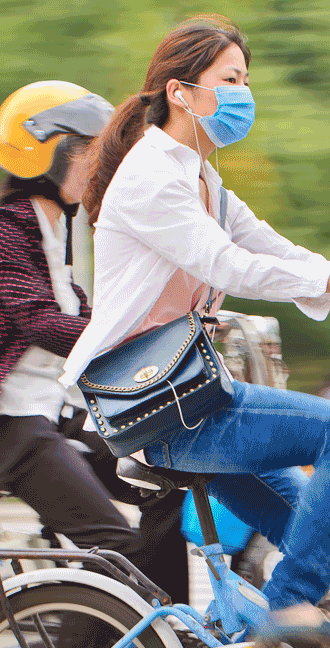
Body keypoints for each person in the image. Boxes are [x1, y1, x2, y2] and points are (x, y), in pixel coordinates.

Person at [60, 15, 330, 648]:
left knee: (325, 539)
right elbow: (230, 266)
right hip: (159, 407)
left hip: (195, 396)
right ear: (180, 91)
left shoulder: (206, 183)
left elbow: (282, 252)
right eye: (230, 79)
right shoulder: (150, 178)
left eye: (246, 79)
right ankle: (285, 606)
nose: (243, 93)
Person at [0, 80, 189, 603]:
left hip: (50, 415)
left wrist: (170, 331)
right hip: (12, 428)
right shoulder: (6, 232)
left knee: (166, 485)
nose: (102, 164)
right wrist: (132, 332)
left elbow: (89, 313)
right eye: (90, 150)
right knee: (110, 544)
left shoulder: (51, 232)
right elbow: (40, 321)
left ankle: (170, 638)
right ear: (46, 151)